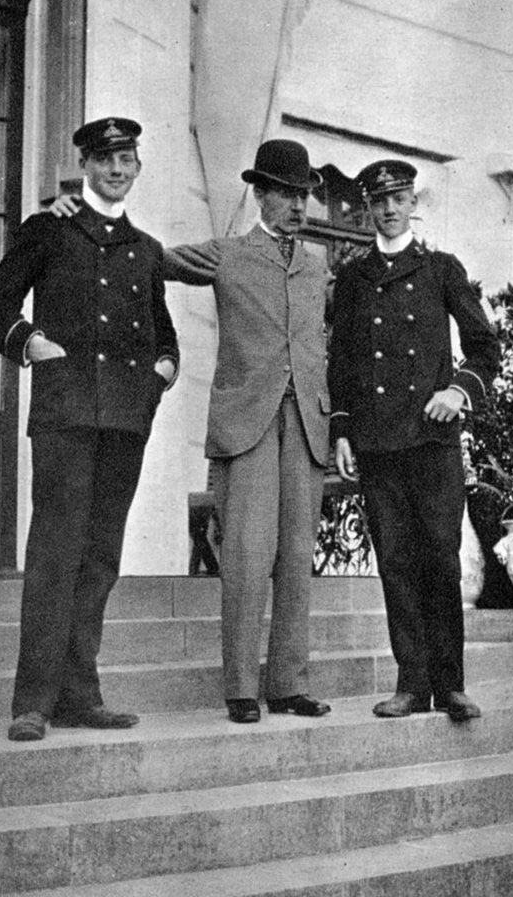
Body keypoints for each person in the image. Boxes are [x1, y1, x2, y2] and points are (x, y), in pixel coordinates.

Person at [50, 138, 332, 724]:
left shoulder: (318, 265)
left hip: (306, 421)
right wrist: (73, 212)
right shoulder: (226, 254)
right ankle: (241, 689)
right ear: (260, 195)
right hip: (247, 424)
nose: (297, 206)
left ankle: (287, 684)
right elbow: (149, 258)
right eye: (285, 193)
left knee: (297, 556)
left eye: (303, 195)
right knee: (249, 558)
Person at [0, 116, 179, 742]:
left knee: (100, 559)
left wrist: (161, 372)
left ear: (138, 168)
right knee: (55, 555)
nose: (117, 170)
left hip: (124, 422)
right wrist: (30, 343)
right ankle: (32, 700)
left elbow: (164, 334)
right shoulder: (49, 230)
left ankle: (79, 695)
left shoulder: (145, 249)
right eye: (105, 158)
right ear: (86, 165)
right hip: (65, 417)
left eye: (127, 160)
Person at [329, 159, 500, 722]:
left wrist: (458, 391)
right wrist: (343, 430)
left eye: (398, 198)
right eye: (378, 201)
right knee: (395, 563)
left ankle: (450, 683)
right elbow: (343, 363)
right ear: (367, 209)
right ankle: (411, 682)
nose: (388, 209)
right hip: (378, 443)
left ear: (412, 204)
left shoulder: (442, 269)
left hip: (433, 442)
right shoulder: (353, 280)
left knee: (441, 561)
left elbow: (483, 346)